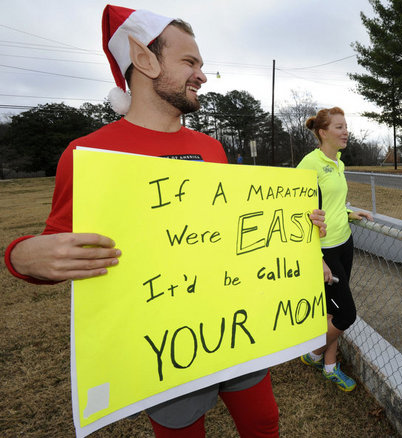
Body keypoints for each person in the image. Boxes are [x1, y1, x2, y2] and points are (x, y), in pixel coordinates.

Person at [3, 5, 327, 437]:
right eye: (190, 62)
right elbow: (55, 247)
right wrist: (22, 256)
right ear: (144, 59)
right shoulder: (87, 155)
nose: (202, 75)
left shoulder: (211, 148)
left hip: (236, 324)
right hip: (163, 344)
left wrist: (295, 233)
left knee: (264, 421)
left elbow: (230, 230)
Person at [296, 107, 372, 392]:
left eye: (346, 126)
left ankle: (330, 367)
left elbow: (332, 204)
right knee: (346, 315)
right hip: (325, 251)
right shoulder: (309, 165)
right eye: (339, 127)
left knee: (331, 311)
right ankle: (313, 353)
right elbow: (298, 216)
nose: (346, 132)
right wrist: (317, 259)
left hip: (344, 244)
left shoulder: (338, 162)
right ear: (323, 132)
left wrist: (351, 213)